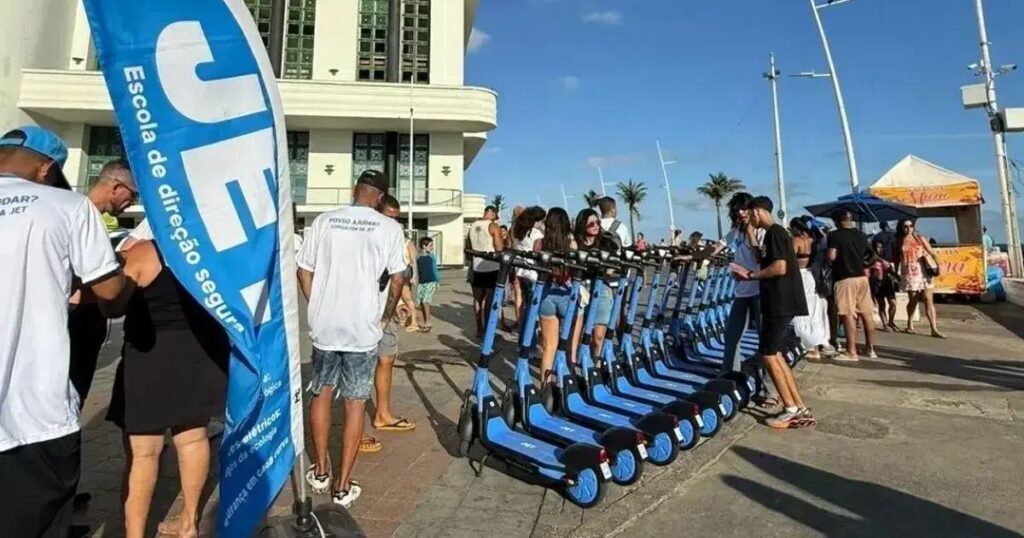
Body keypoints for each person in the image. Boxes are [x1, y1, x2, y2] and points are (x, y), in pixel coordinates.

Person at [0, 126, 136, 537]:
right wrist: (129, 278)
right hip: (33, 408)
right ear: (45, 168)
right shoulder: (68, 207)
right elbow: (110, 291)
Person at [104, 240, 228, 538]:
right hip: (199, 352)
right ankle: (188, 521)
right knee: (192, 437)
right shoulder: (207, 250)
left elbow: (113, 304)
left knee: (144, 452)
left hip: (151, 357)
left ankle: (134, 534)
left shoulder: (144, 252)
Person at [297, 170, 406, 508]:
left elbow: (304, 268)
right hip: (363, 327)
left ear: (355, 190)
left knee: (322, 392)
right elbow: (399, 279)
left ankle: (320, 469)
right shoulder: (389, 228)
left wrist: (315, 305)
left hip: (326, 324)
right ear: (380, 197)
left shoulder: (324, 221)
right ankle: (343, 486)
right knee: (356, 401)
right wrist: (385, 317)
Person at [733, 196, 814, 429]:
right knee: (775, 355)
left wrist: (749, 276)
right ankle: (798, 406)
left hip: (780, 301)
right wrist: (749, 235)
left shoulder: (776, 233)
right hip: (778, 301)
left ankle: (789, 409)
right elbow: (763, 260)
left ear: (757, 212)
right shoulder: (772, 234)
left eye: (750, 214)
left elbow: (779, 267)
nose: (748, 218)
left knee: (768, 356)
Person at [69, 158, 138, 405]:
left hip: (87, 320)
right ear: (116, 187)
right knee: (70, 396)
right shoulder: (77, 215)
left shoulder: (90, 216)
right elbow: (106, 290)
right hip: (74, 318)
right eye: (132, 194)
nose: (132, 202)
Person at [370, 195, 417, 447]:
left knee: (386, 358)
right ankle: (352, 430)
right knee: (357, 366)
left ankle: (382, 413)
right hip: (362, 310)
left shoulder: (394, 235)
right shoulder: (367, 233)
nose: (393, 221)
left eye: (396, 217)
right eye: (389, 216)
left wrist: (398, 304)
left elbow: (395, 275)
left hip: (384, 307)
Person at [720, 192, 763, 374]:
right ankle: (730, 373)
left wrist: (751, 233)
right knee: (732, 335)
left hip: (760, 291)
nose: (740, 213)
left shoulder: (762, 233)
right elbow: (717, 246)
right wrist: (692, 255)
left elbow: (760, 258)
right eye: (737, 210)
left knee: (765, 340)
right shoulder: (735, 233)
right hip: (742, 292)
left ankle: (769, 386)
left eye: (744, 209)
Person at [535, 208, 578, 383]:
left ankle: (546, 387)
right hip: (566, 292)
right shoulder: (572, 244)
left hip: (545, 293)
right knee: (569, 345)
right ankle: (567, 381)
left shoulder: (539, 243)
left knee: (548, 347)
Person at [827, 210, 876, 361]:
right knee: (866, 313)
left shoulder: (834, 235)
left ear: (836, 221)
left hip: (844, 278)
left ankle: (851, 351)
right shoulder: (861, 235)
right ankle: (870, 349)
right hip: (862, 278)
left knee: (848, 314)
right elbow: (870, 254)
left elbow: (831, 256)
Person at [575, 208, 616, 358]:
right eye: (591, 223)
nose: (595, 226)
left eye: (597, 222)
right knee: (578, 333)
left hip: (601, 287)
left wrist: (609, 269)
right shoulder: (575, 242)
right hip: (580, 287)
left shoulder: (606, 242)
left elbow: (616, 261)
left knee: (598, 337)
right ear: (582, 224)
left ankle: (596, 364)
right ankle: (578, 361)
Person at [895, 218, 945, 338]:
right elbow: (897, 258)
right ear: (901, 228)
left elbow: (932, 253)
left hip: (924, 272)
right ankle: (910, 323)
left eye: (910, 226)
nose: (908, 229)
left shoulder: (920, 239)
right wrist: (896, 272)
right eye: (905, 226)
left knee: (928, 300)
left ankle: (934, 328)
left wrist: (939, 266)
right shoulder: (899, 241)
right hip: (909, 273)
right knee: (913, 299)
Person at [790, 218, 830, 359]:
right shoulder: (813, 240)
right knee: (814, 311)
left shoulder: (796, 241)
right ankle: (816, 345)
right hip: (812, 274)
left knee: (802, 309)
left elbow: (790, 259)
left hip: (800, 276)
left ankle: (808, 345)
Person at [468, 205, 504, 336]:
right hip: (491, 267)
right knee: (490, 300)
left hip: (476, 266)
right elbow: (499, 247)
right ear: (493, 214)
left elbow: (468, 246)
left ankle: (479, 328)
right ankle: (489, 330)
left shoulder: (472, 226)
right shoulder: (493, 226)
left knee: (477, 299)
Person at [512, 206, 547, 322]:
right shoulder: (537, 234)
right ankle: (532, 326)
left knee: (522, 298)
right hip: (532, 271)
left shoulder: (517, 230)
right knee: (534, 301)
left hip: (519, 269)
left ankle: (521, 322)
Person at [869, 239, 899, 332]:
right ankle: (885, 324)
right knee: (882, 305)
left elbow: (891, 270)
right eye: (877, 247)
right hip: (876, 283)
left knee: (893, 303)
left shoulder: (887, 258)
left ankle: (891, 321)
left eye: (881, 247)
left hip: (887, 282)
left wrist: (897, 276)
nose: (879, 249)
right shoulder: (871, 259)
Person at [416, 236, 441, 331]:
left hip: (431, 281)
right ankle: (425, 320)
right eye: (430, 246)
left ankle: (428, 322)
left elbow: (435, 269)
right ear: (424, 246)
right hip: (422, 282)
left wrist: (438, 281)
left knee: (426, 301)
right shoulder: (418, 257)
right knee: (421, 302)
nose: (432, 247)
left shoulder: (432, 257)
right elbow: (416, 270)